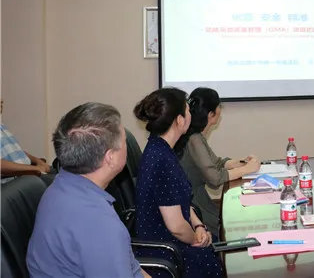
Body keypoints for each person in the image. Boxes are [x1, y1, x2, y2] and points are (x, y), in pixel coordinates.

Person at [27, 103, 148, 278]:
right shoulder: (99, 224)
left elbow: (129, 264)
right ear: (110, 157)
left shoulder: (64, 183)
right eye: (124, 141)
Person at [134, 88, 222, 278]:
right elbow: (176, 227)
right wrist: (196, 239)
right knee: (212, 257)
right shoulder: (162, 160)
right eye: (188, 111)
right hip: (165, 248)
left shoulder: (160, 147)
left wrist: (199, 226)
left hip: (172, 238)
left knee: (216, 243)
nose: (192, 114)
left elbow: (179, 201)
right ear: (180, 120)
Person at [174, 87, 260, 234]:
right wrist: (246, 170)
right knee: (230, 226)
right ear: (211, 114)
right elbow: (214, 178)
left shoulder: (195, 135)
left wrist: (241, 163)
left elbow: (216, 163)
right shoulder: (194, 139)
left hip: (195, 200)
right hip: (193, 205)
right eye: (219, 105)